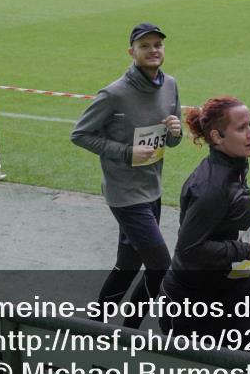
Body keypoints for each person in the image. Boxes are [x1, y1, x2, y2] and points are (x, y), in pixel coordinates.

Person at [72, 23, 182, 329]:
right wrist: (126, 152)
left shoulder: (171, 84)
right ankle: (130, 328)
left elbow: (172, 139)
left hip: (153, 189)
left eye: (157, 44)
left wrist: (176, 132)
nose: (153, 50)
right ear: (131, 52)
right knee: (161, 266)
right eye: (145, 46)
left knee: (129, 264)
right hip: (124, 194)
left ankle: (96, 326)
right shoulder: (114, 94)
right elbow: (80, 135)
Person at [159, 96, 250, 344]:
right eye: (242, 128)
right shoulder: (211, 187)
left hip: (227, 291)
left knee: (248, 366)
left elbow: (223, 210)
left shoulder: (234, 165)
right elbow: (189, 249)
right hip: (196, 307)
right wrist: (245, 249)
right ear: (217, 137)